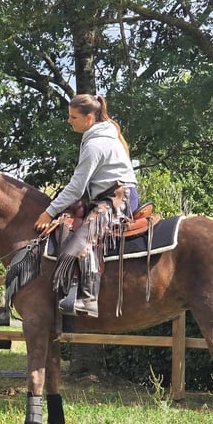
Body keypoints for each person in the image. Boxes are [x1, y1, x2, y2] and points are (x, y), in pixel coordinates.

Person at [34, 93, 139, 317]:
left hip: (117, 199)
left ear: (89, 118)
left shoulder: (96, 144)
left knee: (82, 240)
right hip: (110, 195)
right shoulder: (103, 134)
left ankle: (89, 298)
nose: (69, 121)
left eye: (73, 117)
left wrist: (48, 212)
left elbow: (76, 188)